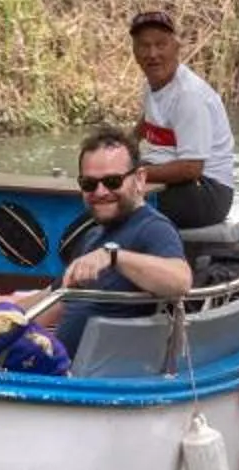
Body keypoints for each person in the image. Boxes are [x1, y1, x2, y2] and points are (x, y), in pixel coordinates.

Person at [52, 128, 192, 353]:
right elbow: (55, 301)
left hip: (100, 375)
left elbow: (180, 281)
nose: (100, 191)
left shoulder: (152, 228)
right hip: (55, 366)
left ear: (139, 179)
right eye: (89, 184)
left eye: (113, 181)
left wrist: (114, 256)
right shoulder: (93, 236)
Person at [127, 7, 236, 230]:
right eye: (144, 46)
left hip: (207, 192)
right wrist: (117, 152)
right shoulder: (152, 85)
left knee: (115, 201)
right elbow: (144, 125)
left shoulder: (189, 95)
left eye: (160, 44)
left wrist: (131, 176)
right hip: (175, 180)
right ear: (134, 51)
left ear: (176, 47)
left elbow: (191, 168)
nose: (152, 54)